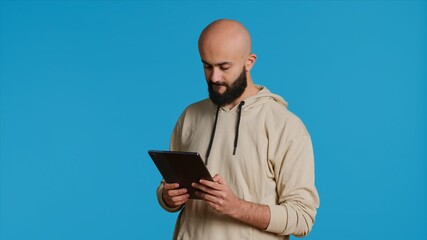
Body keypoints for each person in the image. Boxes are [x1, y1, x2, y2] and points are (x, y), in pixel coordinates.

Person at [156, 19, 319, 240]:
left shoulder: (285, 126)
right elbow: (169, 188)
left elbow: (302, 218)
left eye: (224, 67)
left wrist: (237, 207)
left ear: (249, 61)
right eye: (207, 66)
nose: (214, 77)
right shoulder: (190, 116)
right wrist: (168, 197)